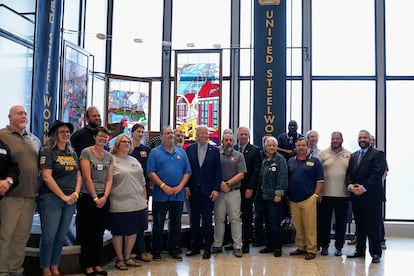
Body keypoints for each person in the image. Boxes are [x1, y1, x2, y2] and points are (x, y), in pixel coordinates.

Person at [0, 105, 41, 275]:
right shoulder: (2, 135)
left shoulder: (35, 139)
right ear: (10, 117)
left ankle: (16, 269)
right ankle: (2, 269)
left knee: (21, 236)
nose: (24, 115)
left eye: (25, 113)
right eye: (19, 113)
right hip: (10, 195)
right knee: (5, 235)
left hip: (30, 195)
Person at [38, 120, 82, 276]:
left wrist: (75, 194)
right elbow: (47, 177)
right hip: (51, 199)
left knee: (61, 236)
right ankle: (45, 267)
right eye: (62, 132)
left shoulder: (72, 153)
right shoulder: (48, 152)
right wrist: (63, 196)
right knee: (49, 235)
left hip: (70, 200)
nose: (66, 134)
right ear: (55, 135)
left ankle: (55, 265)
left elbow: (78, 175)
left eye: (68, 132)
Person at [147, 125, 191, 261]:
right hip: (161, 195)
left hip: (177, 195)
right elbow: (150, 172)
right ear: (161, 136)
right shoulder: (155, 152)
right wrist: (163, 186)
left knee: (176, 223)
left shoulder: (181, 153)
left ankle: (174, 249)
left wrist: (180, 186)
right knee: (159, 223)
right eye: (167, 133)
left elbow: (187, 172)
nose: (170, 135)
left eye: (172, 133)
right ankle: (156, 250)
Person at [346, 130, 386, 264]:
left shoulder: (378, 154)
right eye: (360, 137)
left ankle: (375, 253)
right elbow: (349, 174)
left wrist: (363, 188)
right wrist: (350, 185)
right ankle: (359, 250)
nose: (362, 139)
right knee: (360, 226)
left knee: (373, 226)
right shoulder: (354, 155)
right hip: (356, 198)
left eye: (365, 137)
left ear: (370, 140)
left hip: (372, 197)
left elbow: (377, 173)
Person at [77, 126, 113, 275]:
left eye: (105, 137)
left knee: (99, 232)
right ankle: (88, 265)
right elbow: (87, 177)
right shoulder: (86, 152)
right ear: (95, 137)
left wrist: (104, 197)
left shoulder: (108, 156)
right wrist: (95, 198)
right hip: (88, 198)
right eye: (100, 136)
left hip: (104, 198)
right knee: (88, 233)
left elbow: (110, 179)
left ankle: (97, 263)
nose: (102, 139)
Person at [110, 135, 147, 270]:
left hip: (137, 202)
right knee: (119, 232)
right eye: (123, 142)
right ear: (117, 144)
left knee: (133, 231)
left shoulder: (135, 160)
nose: (126, 144)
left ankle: (128, 256)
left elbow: (142, 182)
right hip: (119, 202)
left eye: (128, 142)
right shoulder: (111, 160)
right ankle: (120, 259)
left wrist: (145, 199)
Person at [185, 125, 222, 259]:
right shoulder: (189, 150)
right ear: (196, 135)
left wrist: (216, 189)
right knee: (194, 220)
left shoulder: (214, 150)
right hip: (193, 191)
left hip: (208, 192)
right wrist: (186, 186)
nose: (205, 135)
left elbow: (218, 172)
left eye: (206, 133)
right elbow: (186, 170)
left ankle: (207, 248)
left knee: (207, 221)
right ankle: (195, 247)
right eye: (202, 133)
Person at [211, 131, 246, 258]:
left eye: (231, 140)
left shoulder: (239, 155)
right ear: (222, 141)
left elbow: (241, 174)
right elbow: (213, 171)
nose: (228, 142)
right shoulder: (216, 154)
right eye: (226, 140)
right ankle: (217, 244)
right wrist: (220, 184)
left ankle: (237, 246)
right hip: (219, 192)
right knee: (219, 218)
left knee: (235, 219)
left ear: (234, 141)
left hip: (233, 192)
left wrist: (228, 183)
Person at [288, 137, 324, 260]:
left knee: (309, 226)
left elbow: (320, 180)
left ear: (308, 146)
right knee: (298, 225)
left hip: (309, 198)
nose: (301, 147)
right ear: (295, 147)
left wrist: (315, 195)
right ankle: (301, 247)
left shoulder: (315, 162)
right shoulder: (291, 161)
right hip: (293, 199)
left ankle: (311, 249)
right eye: (298, 145)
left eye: (303, 145)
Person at [317, 131, 351, 256]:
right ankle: (324, 246)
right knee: (324, 222)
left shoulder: (348, 154)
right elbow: (317, 173)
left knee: (341, 223)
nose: (335, 141)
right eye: (333, 138)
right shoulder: (323, 154)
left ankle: (339, 246)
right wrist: (318, 191)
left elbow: (351, 173)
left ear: (342, 140)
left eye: (337, 139)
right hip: (325, 194)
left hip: (343, 194)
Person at [257, 137, 288, 257]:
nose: (271, 147)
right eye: (269, 145)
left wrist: (278, 193)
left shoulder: (280, 160)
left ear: (276, 147)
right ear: (265, 147)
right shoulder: (265, 160)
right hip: (264, 196)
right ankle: (269, 245)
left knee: (275, 223)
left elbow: (282, 177)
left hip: (275, 197)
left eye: (273, 145)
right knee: (268, 223)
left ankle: (277, 247)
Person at [234, 127, 261, 253]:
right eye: (241, 134)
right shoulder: (233, 148)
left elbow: (256, 171)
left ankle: (245, 242)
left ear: (248, 136)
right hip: (233, 188)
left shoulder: (255, 150)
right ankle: (235, 241)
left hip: (247, 189)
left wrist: (251, 187)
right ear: (238, 136)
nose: (243, 136)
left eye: (245, 134)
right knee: (234, 216)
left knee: (246, 216)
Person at [129, 123, 152, 262]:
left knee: (142, 220)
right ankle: (129, 251)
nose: (140, 134)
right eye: (138, 131)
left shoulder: (146, 150)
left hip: (142, 189)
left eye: (142, 132)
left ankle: (141, 250)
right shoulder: (126, 148)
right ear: (132, 132)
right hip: (127, 189)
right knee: (129, 219)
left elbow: (149, 170)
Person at [370, 134, 388, 250]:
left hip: (375, 192)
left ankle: (381, 239)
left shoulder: (379, 155)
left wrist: (371, 184)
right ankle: (359, 238)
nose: (370, 142)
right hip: (362, 193)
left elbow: (384, 173)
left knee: (377, 218)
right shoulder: (359, 156)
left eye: (372, 140)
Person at [253, 134, 272, 247]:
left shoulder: (277, 157)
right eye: (265, 142)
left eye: (269, 142)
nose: (267, 145)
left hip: (271, 192)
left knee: (270, 217)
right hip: (259, 192)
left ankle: (269, 241)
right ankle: (258, 239)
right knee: (258, 216)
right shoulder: (258, 154)